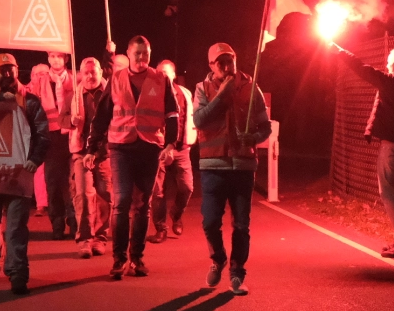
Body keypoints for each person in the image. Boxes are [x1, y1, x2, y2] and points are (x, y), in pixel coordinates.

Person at [90, 36, 179, 279]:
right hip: (121, 147)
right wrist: (93, 147)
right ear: (128, 54)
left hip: (150, 148)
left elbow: (172, 114)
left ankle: (137, 258)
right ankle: (118, 259)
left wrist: (171, 143)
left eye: (145, 54)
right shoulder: (116, 79)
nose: (141, 58)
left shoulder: (161, 79)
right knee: (121, 202)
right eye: (137, 54)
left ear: (150, 54)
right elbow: (102, 114)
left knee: (142, 206)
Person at [334, 44, 394, 257]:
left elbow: (362, 68)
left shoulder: (393, 83)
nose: (386, 64)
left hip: (393, 147)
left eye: (388, 61)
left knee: (387, 190)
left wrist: (339, 50)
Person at [0, 54, 50, 295]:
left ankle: (17, 273)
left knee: (15, 226)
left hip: (18, 174)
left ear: (17, 71)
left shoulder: (30, 101)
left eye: (10, 69)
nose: (6, 74)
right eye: (1, 70)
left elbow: (42, 134)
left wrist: (35, 159)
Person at [194, 43, 271, 295]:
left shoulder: (251, 87)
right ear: (211, 66)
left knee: (241, 224)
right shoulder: (202, 89)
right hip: (212, 165)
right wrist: (222, 94)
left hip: (243, 166)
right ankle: (218, 259)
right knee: (210, 222)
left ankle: (237, 272)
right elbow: (199, 120)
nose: (226, 67)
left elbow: (265, 126)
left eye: (230, 61)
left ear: (236, 61)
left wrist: (255, 137)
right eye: (220, 63)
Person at [68, 56, 112, 259]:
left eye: (93, 72)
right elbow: (61, 117)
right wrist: (71, 120)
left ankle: (100, 238)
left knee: (105, 194)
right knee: (84, 196)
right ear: (80, 74)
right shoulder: (74, 95)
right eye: (85, 72)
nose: (89, 76)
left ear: (100, 73)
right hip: (81, 151)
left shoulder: (110, 93)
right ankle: (85, 239)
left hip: (104, 152)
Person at [149, 59, 196, 242]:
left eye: (167, 73)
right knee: (157, 191)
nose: (163, 76)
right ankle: (160, 228)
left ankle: (176, 214)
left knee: (187, 186)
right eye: (160, 73)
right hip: (159, 149)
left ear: (174, 75)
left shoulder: (185, 93)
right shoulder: (151, 93)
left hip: (181, 148)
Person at [33, 52, 77, 239]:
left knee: (74, 182)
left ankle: (75, 221)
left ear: (66, 59)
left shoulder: (75, 80)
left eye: (60, 56)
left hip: (72, 136)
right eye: (52, 56)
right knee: (53, 182)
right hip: (51, 137)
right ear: (48, 59)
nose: (56, 59)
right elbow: (31, 106)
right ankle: (57, 223)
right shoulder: (40, 82)